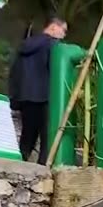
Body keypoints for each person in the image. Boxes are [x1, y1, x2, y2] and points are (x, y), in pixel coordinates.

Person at [9, 16, 67, 163]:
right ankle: (42, 169)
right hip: (44, 96)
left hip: (25, 96)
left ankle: (19, 164)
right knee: (47, 135)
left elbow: (15, 72)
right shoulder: (53, 46)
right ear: (53, 27)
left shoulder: (25, 45)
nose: (64, 35)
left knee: (28, 134)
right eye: (63, 30)